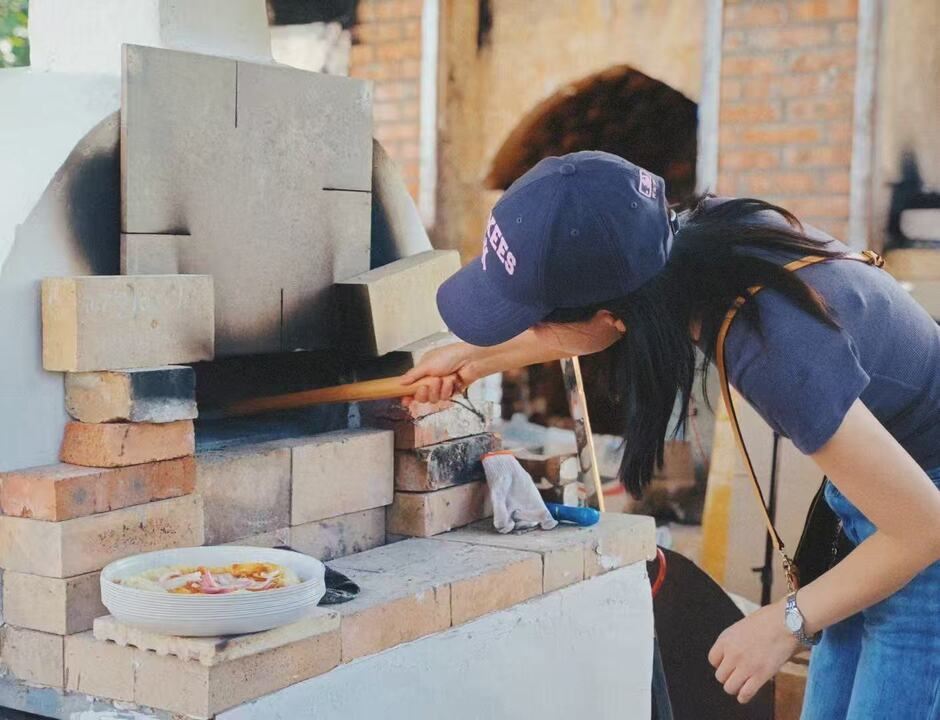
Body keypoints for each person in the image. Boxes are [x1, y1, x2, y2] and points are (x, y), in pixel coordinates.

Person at [401, 151, 940, 718]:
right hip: (887, 501)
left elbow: (924, 529)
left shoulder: (773, 349)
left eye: (532, 318)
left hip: (919, 521)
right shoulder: (690, 245)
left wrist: (783, 622)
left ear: (614, 317)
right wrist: (474, 358)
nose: (528, 331)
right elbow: (585, 326)